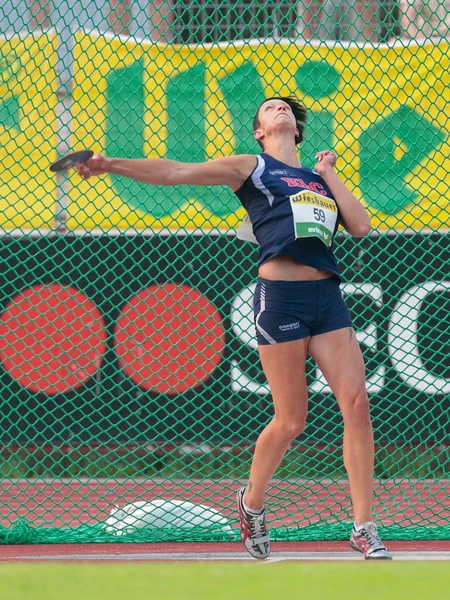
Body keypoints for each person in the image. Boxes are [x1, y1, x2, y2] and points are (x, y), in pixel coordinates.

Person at [76, 96, 392, 561]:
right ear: (260, 131)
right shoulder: (253, 166)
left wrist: (329, 174)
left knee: (358, 404)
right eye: (268, 107)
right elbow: (177, 172)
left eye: (286, 107)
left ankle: (364, 526)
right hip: (280, 298)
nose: (280, 108)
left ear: (298, 131)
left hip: (328, 300)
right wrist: (112, 164)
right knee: (291, 421)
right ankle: (251, 503)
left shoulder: (317, 179)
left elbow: (361, 226)